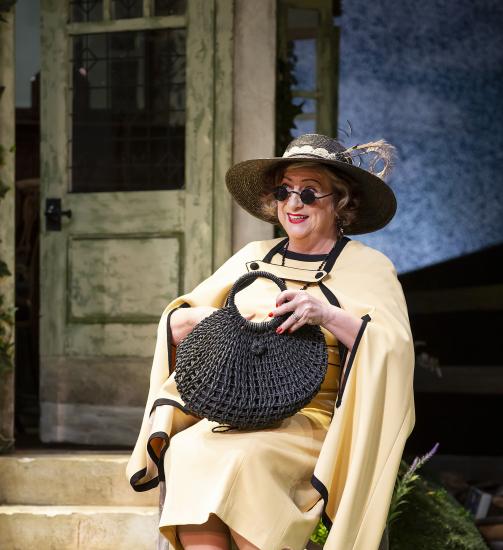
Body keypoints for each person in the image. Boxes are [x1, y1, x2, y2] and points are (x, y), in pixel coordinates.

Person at [127, 133, 415, 550]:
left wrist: (326, 315)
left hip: (313, 420)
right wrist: (225, 319)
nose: (293, 203)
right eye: (284, 192)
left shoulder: (368, 267)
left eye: (309, 193)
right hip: (237, 409)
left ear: (341, 202)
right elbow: (176, 325)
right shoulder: (253, 257)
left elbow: (392, 349)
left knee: (249, 460)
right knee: (188, 449)